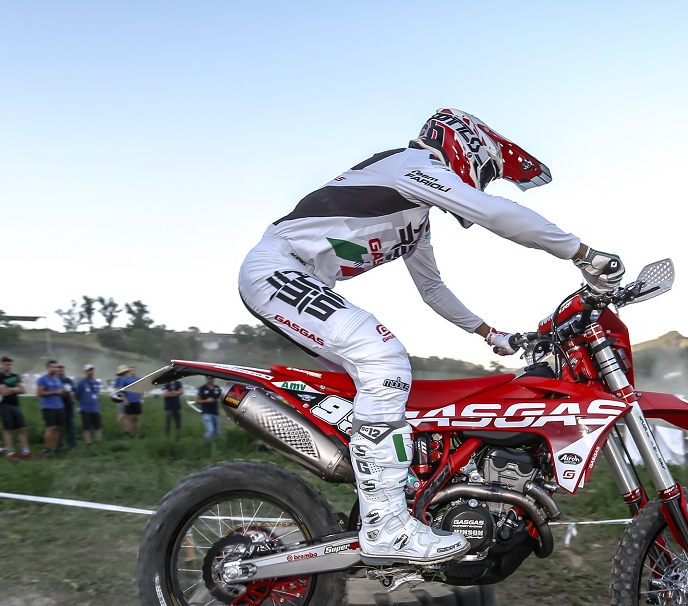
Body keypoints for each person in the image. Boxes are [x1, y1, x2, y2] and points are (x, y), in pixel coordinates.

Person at [238, 109, 624, 566]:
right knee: (384, 358)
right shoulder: (411, 166)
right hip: (278, 267)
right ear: (466, 147)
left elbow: (433, 289)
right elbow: (492, 213)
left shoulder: (416, 219)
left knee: (386, 390)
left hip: (300, 277)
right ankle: (386, 526)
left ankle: (398, 495)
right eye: (485, 172)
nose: (480, 183)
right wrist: (581, 253)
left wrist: (490, 333)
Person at [0, 356, 31, 459]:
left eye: (10, 364)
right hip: (4, 405)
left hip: (15, 404)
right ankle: (10, 452)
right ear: (1, 365)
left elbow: (23, 390)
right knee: (7, 429)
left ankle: (25, 451)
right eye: (6, 364)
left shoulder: (15, 376)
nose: (8, 366)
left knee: (23, 428)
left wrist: (11, 389)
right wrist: (15, 389)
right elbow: (4, 392)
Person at [36, 359, 67, 456]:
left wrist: (63, 391)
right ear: (47, 368)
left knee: (58, 428)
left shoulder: (57, 379)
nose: (54, 369)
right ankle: (47, 449)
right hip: (49, 406)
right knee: (51, 428)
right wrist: (55, 392)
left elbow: (61, 391)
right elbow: (40, 393)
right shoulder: (42, 379)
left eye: (56, 367)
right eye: (52, 367)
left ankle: (57, 448)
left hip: (59, 406)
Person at [74, 364, 103, 445]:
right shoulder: (81, 383)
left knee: (98, 426)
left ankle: (99, 442)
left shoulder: (96, 382)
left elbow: (96, 393)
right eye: (88, 370)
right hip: (85, 408)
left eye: (91, 370)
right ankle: (88, 443)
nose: (90, 372)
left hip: (95, 408)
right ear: (85, 372)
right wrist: (81, 402)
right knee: (87, 427)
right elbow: (77, 394)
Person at [113, 365, 143, 437]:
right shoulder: (119, 380)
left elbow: (141, 390)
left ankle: (130, 431)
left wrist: (141, 399)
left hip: (132, 400)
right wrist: (124, 398)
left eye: (125, 372)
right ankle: (127, 431)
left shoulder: (133, 379)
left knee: (132, 417)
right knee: (123, 416)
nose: (125, 373)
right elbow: (118, 390)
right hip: (122, 399)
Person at [56, 364, 78, 451]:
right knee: (59, 428)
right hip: (59, 407)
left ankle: (72, 446)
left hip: (69, 406)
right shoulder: (55, 381)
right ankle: (59, 447)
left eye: (62, 371)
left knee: (71, 427)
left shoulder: (68, 380)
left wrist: (74, 399)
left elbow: (74, 391)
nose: (61, 373)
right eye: (59, 371)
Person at [196, 375, 222, 441]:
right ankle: (206, 444)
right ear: (206, 378)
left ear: (214, 378)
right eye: (209, 378)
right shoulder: (202, 388)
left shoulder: (217, 388)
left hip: (215, 412)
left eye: (212, 378)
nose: (210, 380)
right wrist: (206, 401)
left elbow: (221, 397)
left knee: (217, 432)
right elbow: (197, 400)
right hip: (206, 412)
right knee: (210, 429)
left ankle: (217, 444)